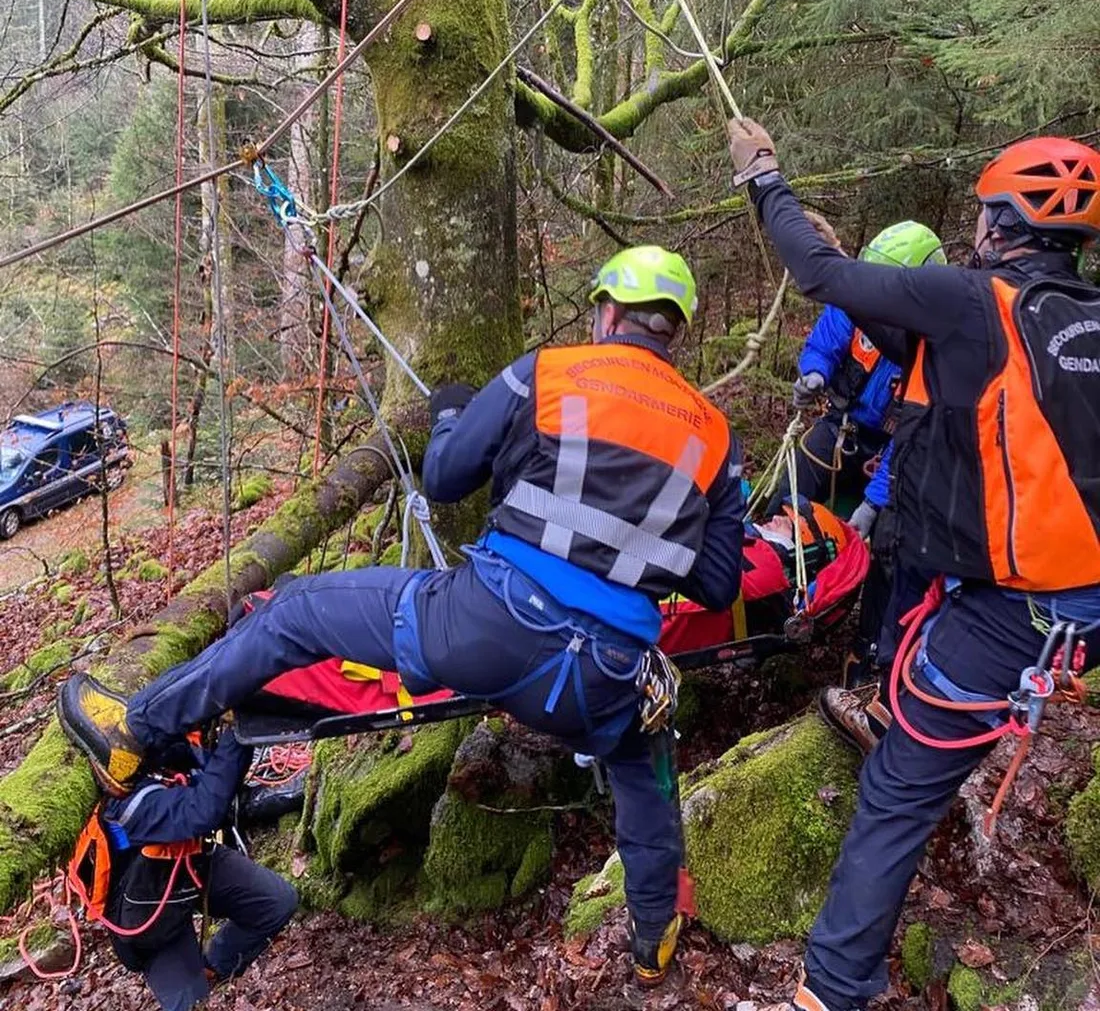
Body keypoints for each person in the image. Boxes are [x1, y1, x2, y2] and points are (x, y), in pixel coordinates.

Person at [59, 245, 746, 988]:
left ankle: (138, 730)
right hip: (608, 675)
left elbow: (447, 477)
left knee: (294, 611)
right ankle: (653, 939)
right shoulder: (714, 436)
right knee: (645, 772)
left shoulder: (548, 372)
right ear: (673, 329)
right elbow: (715, 582)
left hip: (488, 629)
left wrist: (451, 410)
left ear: (608, 312)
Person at [727, 122, 1100, 1011]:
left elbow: (825, 281)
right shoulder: (1074, 321)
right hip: (1069, 608)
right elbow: (936, 362)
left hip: (1010, 616)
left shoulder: (974, 303)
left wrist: (765, 181)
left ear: (1002, 223)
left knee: (895, 789)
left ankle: (830, 988)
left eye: (982, 216)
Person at [79, 729, 297, 1011]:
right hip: (143, 902)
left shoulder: (162, 747)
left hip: (191, 859)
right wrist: (235, 734)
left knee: (276, 902)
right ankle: (190, 980)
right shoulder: (121, 797)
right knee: (189, 1004)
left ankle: (216, 965)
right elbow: (201, 811)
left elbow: (214, 779)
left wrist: (233, 736)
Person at [779, 222, 946, 524]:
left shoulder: (937, 346)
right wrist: (815, 374)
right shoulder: (856, 305)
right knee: (791, 484)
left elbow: (914, 434)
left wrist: (873, 502)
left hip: (893, 451)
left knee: (887, 529)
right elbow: (824, 344)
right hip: (842, 426)